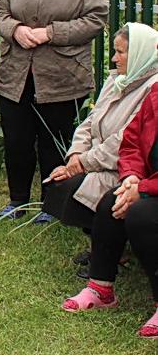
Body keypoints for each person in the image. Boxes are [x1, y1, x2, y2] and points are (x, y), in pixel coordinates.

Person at [0, 0, 108, 220]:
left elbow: (96, 20)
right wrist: (16, 29)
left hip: (62, 76)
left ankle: (50, 205)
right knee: (16, 140)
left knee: (52, 143)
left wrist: (50, 33)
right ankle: (17, 200)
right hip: (16, 74)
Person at [43, 24, 158, 246]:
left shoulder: (151, 89)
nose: (114, 58)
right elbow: (90, 121)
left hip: (122, 168)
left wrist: (84, 163)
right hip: (98, 158)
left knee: (75, 187)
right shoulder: (117, 79)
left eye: (121, 52)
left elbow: (125, 141)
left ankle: (110, 249)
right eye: (114, 51)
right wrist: (76, 155)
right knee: (59, 183)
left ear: (139, 54)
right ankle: (100, 245)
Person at [61, 78, 158, 338]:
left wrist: (145, 189)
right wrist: (131, 178)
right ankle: (101, 289)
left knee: (142, 216)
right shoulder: (156, 93)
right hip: (147, 183)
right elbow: (132, 142)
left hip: (153, 187)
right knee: (110, 202)